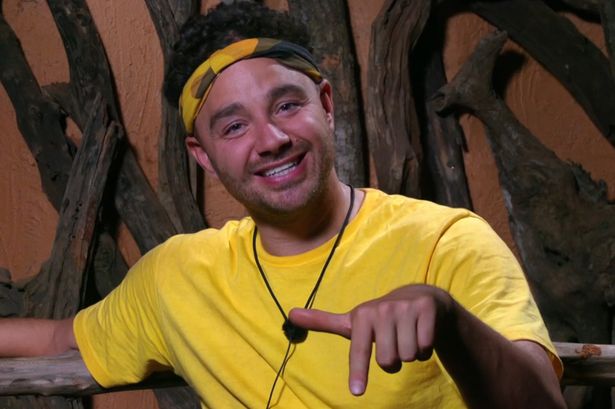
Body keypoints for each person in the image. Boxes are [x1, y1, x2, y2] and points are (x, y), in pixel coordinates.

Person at [2, 3, 565, 408]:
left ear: (327, 105)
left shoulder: (447, 241)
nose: (270, 139)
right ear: (202, 155)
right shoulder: (178, 277)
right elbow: (58, 340)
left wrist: (449, 322)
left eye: (287, 105)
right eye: (234, 126)